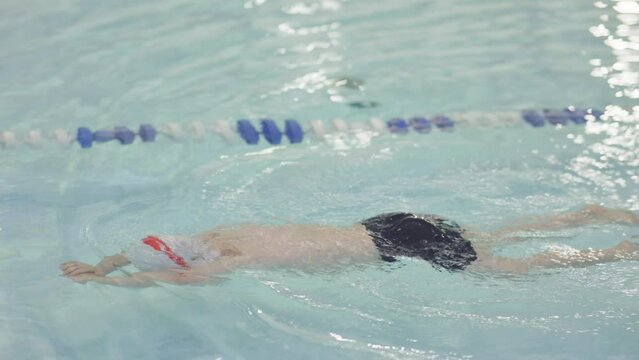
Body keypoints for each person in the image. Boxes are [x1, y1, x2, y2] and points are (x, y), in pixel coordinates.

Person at [60, 204, 639, 287]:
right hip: (391, 221)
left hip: (399, 247)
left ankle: (618, 252)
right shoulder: (221, 236)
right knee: (491, 238)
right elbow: (156, 254)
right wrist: (107, 261)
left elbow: (165, 279)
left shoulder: (238, 260)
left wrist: (108, 282)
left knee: (509, 270)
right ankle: (588, 215)